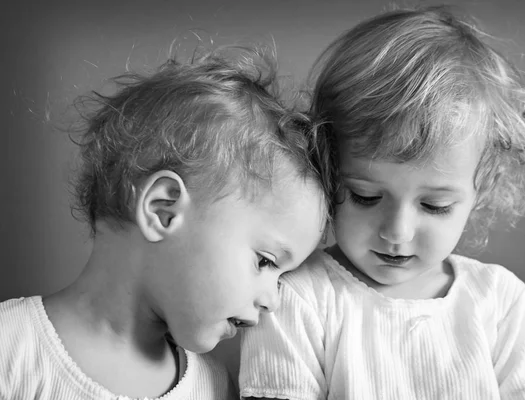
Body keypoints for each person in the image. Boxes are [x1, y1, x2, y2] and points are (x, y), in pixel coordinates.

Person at [239, 6, 525, 399]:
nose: (397, 231)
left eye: (435, 206)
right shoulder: (297, 298)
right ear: (327, 169)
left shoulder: (504, 307)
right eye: (366, 196)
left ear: (485, 183)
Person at [0, 46, 328, 399]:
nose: (272, 301)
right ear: (163, 210)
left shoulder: (214, 387)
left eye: (280, 278)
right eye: (265, 261)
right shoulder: (12, 345)